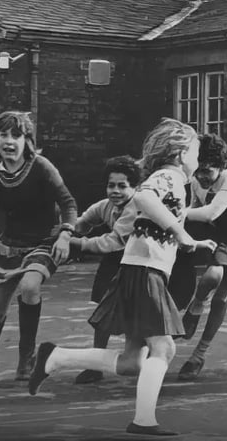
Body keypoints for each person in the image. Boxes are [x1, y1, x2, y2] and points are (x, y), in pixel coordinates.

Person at [27, 118, 216, 438]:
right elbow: (144, 198)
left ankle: (55, 357)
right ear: (182, 152)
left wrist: (192, 241)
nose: (198, 160)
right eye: (196, 151)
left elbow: (154, 215)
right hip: (145, 272)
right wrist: (181, 232)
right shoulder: (170, 175)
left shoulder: (170, 177)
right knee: (164, 349)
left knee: (132, 362)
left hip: (138, 269)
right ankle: (143, 421)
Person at [0, 110, 78, 383]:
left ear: (27, 140)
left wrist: (66, 234)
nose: (9, 141)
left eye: (16, 135)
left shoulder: (42, 166)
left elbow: (68, 203)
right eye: (3, 135)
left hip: (45, 243)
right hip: (9, 247)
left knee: (30, 287)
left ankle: (26, 358)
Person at [175, 134, 227, 382]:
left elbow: (210, 211)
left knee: (222, 296)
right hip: (217, 233)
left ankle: (198, 355)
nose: (201, 176)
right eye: (198, 169)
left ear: (221, 167)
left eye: (207, 171)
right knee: (211, 276)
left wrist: (174, 215)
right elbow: (193, 208)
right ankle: (195, 307)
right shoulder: (195, 179)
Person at [67, 155, 141, 384]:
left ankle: (137, 358)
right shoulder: (107, 205)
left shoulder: (134, 208)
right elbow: (85, 220)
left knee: (135, 314)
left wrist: (78, 243)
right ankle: (96, 366)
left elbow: (112, 241)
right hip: (113, 262)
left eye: (122, 186)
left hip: (136, 261)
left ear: (135, 187)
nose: (115, 191)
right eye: (111, 185)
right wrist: (66, 231)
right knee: (102, 313)